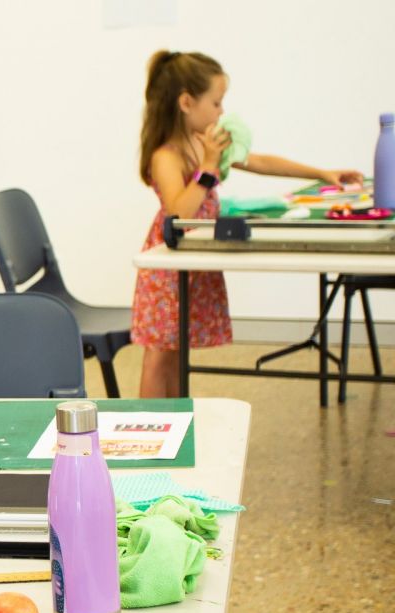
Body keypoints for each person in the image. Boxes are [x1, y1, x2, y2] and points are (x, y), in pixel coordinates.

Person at [133, 50, 363, 398]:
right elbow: (178, 210)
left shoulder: (201, 143)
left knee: (177, 352)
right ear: (185, 102)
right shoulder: (167, 154)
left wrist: (320, 173)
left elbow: (259, 161)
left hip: (195, 259)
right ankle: (150, 431)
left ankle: (176, 424)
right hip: (169, 266)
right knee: (158, 354)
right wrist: (209, 167)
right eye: (216, 102)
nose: (221, 112)